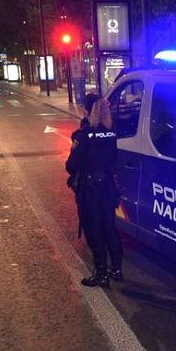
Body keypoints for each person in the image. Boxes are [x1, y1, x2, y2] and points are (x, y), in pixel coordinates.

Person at [66, 92, 124, 287]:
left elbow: (71, 165)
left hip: (90, 190)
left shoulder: (84, 136)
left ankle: (101, 274)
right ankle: (116, 269)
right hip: (107, 186)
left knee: (93, 230)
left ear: (86, 111)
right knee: (109, 228)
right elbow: (114, 159)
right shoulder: (110, 132)